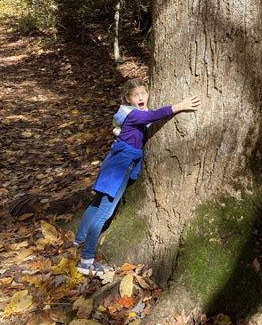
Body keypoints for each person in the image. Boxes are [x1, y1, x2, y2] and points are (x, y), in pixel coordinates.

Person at [74, 78, 200, 276]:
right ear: (128, 98)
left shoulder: (133, 114)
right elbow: (156, 115)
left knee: (97, 202)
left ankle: (79, 238)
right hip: (120, 165)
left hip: (116, 161)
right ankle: (86, 259)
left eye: (143, 93)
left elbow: (148, 116)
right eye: (136, 95)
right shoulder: (133, 115)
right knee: (104, 212)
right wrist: (180, 106)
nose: (141, 97)